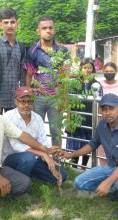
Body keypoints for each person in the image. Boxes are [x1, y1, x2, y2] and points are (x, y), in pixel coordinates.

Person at [61, 93, 118, 218]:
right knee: (79, 182)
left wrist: (107, 182)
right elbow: (92, 145)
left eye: (111, 108)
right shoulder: (101, 125)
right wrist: (71, 154)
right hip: (112, 167)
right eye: (104, 109)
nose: (107, 113)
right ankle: (115, 190)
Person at [2, 86, 67, 184]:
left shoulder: (37, 118)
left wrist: (52, 151)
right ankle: (20, 183)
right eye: (22, 101)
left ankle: (28, 173)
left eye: (30, 102)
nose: (26, 105)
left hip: (33, 158)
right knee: (28, 158)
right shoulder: (8, 116)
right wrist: (44, 154)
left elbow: (43, 142)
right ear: (16, 101)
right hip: (11, 157)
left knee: (62, 174)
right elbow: (16, 146)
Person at [24, 15, 69, 146]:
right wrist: (29, 99)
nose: (48, 30)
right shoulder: (32, 51)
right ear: (38, 31)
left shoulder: (62, 50)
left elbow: (65, 77)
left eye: (50, 28)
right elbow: (28, 76)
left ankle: (56, 163)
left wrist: (64, 100)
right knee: (34, 131)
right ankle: (37, 161)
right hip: (38, 98)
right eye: (44, 28)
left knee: (56, 132)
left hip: (56, 98)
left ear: (54, 30)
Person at [65, 58, 103, 169]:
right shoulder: (74, 83)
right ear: (80, 69)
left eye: (90, 67)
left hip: (89, 119)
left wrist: (99, 122)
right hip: (74, 118)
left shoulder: (97, 84)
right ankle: (73, 168)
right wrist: (68, 120)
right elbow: (68, 103)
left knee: (87, 144)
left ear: (93, 69)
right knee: (74, 145)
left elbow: (99, 105)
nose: (87, 70)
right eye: (85, 67)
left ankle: (83, 167)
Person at [0, 8, 27, 112]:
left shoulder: (21, 47)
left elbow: (22, 75)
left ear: (17, 24)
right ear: (1, 25)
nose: (10, 25)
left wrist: (23, 96)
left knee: (12, 128)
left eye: (12, 22)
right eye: (6, 22)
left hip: (13, 99)